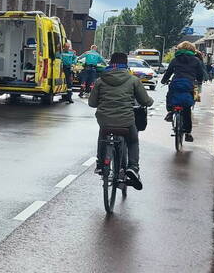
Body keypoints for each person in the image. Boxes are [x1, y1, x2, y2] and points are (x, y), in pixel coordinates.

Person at [88, 52, 154, 189]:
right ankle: (133, 168)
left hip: (104, 119)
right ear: (126, 65)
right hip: (126, 120)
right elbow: (145, 101)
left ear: (110, 63)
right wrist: (149, 101)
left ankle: (100, 165)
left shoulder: (100, 81)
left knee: (103, 134)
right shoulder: (133, 80)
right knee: (133, 140)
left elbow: (92, 103)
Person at [161, 41, 205, 142]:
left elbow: (168, 72)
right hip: (190, 85)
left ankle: (170, 112)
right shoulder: (196, 60)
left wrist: (164, 80)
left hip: (176, 83)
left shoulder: (175, 60)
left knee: (170, 96)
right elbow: (200, 74)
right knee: (187, 109)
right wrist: (199, 82)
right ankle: (188, 133)